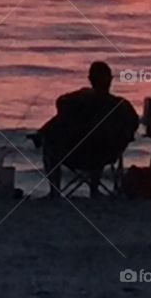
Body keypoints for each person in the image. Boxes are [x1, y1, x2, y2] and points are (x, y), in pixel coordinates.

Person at [35, 61, 139, 198]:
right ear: (110, 80)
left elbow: (60, 116)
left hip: (75, 155)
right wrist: (121, 142)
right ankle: (94, 189)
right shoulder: (121, 105)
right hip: (107, 155)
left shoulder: (76, 103)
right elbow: (133, 126)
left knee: (50, 144)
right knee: (100, 142)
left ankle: (55, 191)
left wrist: (43, 133)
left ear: (90, 80)